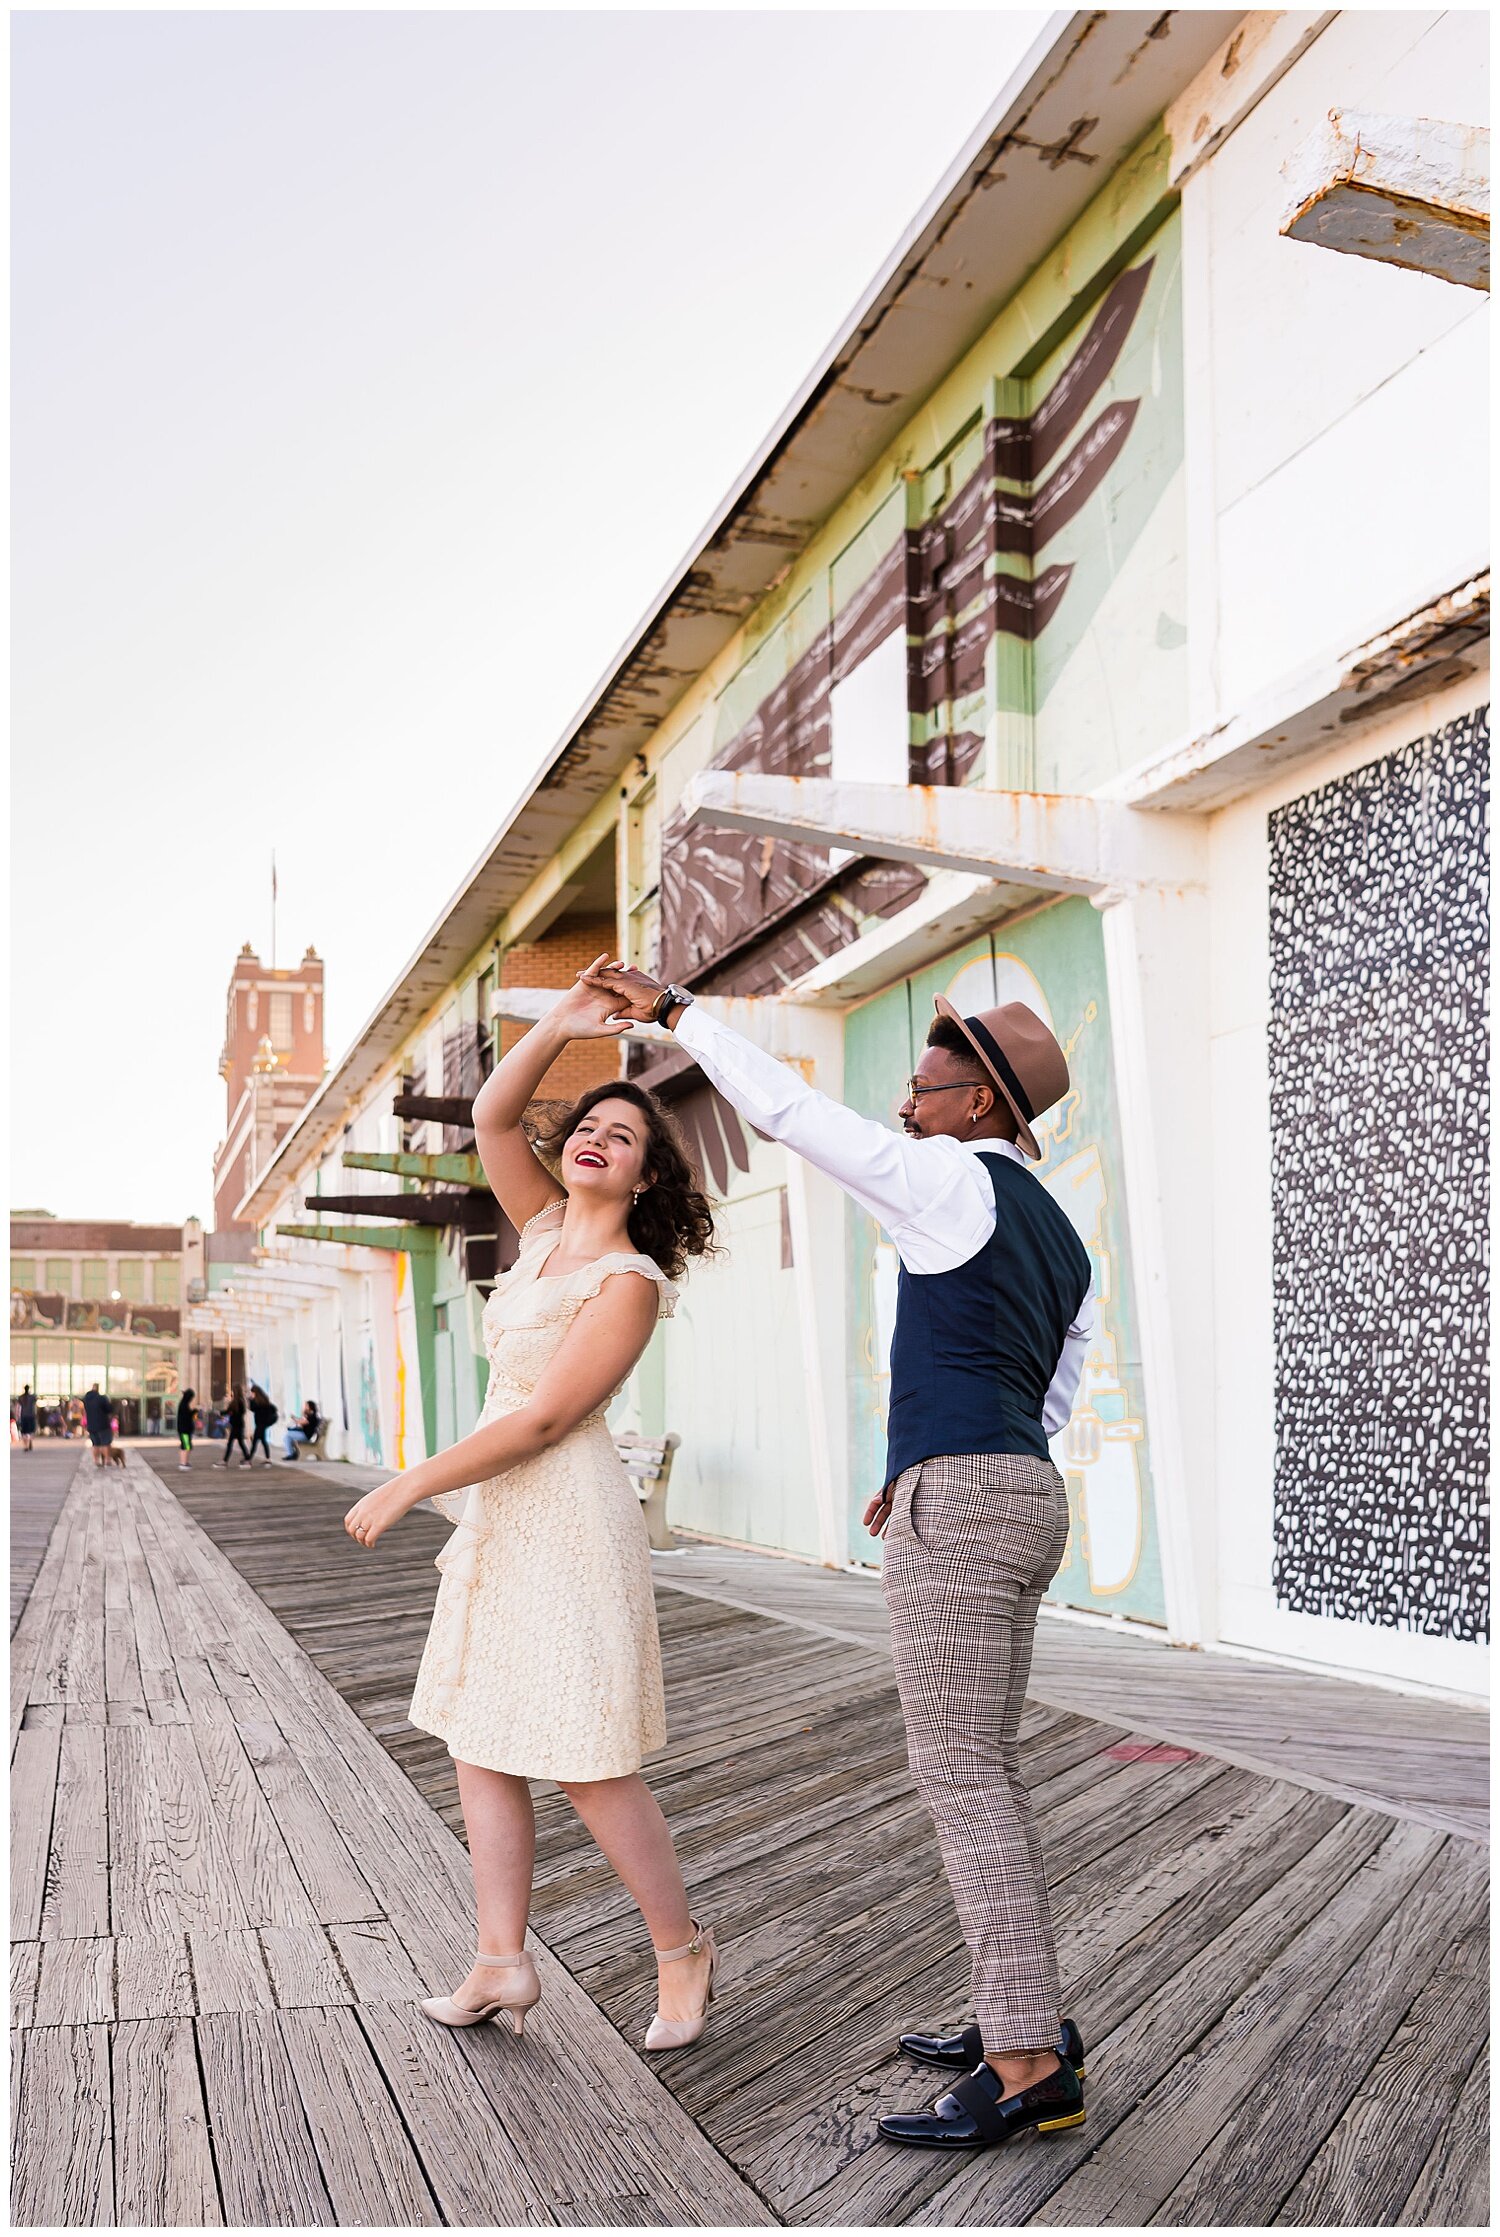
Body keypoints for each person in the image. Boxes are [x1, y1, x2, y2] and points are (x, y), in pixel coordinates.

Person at [587, 955, 1095, 2153]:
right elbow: (1048, 1394)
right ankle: (1015, 2017)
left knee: (964, 1774)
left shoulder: (941, 1175)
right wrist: (932, 1460)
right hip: (1024, 1489)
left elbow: (790, 1113)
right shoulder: (1064, 1237)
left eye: (921, 1088)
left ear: (980, 1105)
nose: (904, 1106)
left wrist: (677, 1015)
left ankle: (1025, 2060)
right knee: (991, 1766)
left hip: (965, 1501)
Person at [343, 964, 719, 2052]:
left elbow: (550, 1419)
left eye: (626, 1136)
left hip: (562, 1513)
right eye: (591, 1124)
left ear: (647, 1177)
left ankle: (681, 1946)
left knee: (590, 1756)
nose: (600, 1136)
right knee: (479, 1738)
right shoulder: (541, 1223)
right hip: (502, 1516)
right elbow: (493, 1112)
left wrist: (415, 1476)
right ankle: (501, 1958)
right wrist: (561, 1022)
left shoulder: (629, 1279)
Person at [216, 1385, 251, 1469]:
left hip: (236, 1426)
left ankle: (225, 1461)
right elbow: (234, 1412)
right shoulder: (241, 1401)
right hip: (239, 1425)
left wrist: (219, 1413)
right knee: (240, 1443)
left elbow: (228, 1412)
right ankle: (247, 1459)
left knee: (231, 1443)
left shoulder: (235, 1402)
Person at [82, 1381, 113, 1467]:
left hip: (91, 1425)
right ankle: (107, 1460)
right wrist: (108, 1402)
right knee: (105, 1443)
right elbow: (109, 1409)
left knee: (95, 1444)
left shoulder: (86, 1399)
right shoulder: (102, 1398)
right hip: (103, 1425)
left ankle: (96, 1461)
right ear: (98, 1389)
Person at [246, 1385, 278, 1466]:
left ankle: (249, 1460)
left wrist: (250, 1399)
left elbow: (252, 1408)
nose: (251, 1394)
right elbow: (273, 1409)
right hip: (263, 1424)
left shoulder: (257, 1401)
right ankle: (268, 1459)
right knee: (263, 1441)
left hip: (260, 1424)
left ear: (255, 1393)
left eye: (252, 1393)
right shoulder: (264, 1400)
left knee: (255, 1442)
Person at [176, 1388, 198, 1471]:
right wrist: (195, 1411)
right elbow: (188, 1416)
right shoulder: (184, 1405)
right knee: (186, 1446)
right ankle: (183, 1463)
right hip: (184, 1430)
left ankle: (184, 1462)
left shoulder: (183, 1404)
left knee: (185, 1446)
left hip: (184, 1429)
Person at [16, 1385, 37, 1452]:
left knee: (24, 1432)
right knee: (31, 1431)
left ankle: (26, 1446)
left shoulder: (20, 1397)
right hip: (31, 1416)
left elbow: (18, 1408)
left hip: (24, 1416)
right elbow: (35, 1406)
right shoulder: (33, 1397)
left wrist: (17, 1416)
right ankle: (30, 1440)